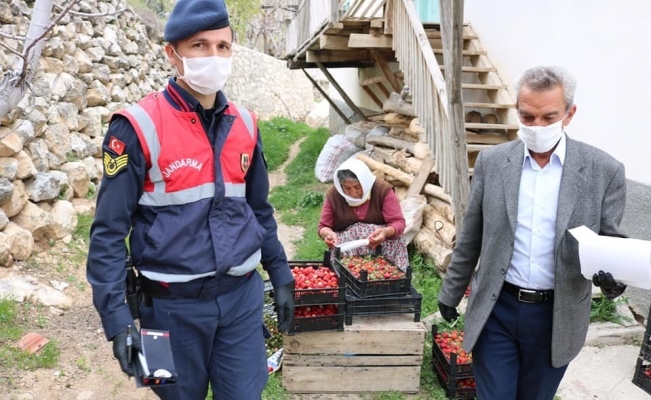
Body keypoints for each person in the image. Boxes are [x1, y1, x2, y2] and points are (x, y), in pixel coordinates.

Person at [86, 0, 295, 398]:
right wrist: (117, 321)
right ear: (172, 53)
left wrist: (280, 273)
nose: (213, 56)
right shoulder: (135, 127)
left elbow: (259, 210)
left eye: (222, 46)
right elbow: (107, 233)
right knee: (169, 394)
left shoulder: (246, 124)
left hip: (241, 302)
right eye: (199, 45)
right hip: (164, 310)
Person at [437, 66, 627, 400]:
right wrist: (450, 292)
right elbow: (471, 235)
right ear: (517, 110)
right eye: (527, 116)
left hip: (557, 317)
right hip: (497, 309)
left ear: (569, 114)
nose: (537, 126)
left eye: (548, 117)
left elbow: (611, 243)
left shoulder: (604, 171)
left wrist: (616, 278)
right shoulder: (493, 162)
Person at [318, 158, 408, 270]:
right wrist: (329, 234)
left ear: (365, 182)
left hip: (382, 245)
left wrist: (385, 232)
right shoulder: (334, 195)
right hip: (349, 249)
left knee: (390, 267)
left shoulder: (382, 190)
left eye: (357, 187)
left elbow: (398, 222)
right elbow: (323, 226)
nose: (353, 192)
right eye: (347, 188)